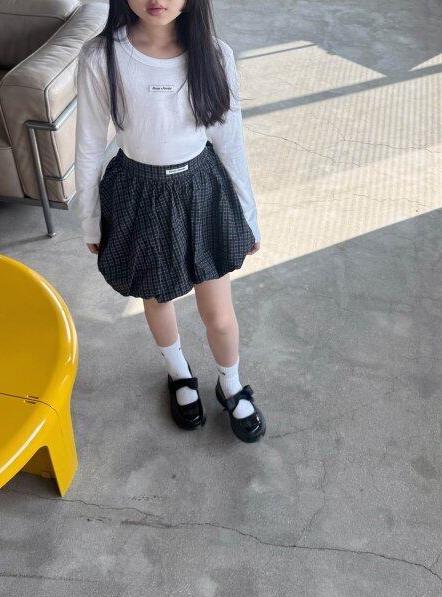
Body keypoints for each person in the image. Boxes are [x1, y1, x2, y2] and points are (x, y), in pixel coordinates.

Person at [74, 0, 266, 443]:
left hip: (201, 190)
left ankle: (230, 383)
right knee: (157, 296)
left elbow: (230, 142)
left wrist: (248, 216)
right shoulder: (101, 56)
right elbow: (88, 145)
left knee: (218, 314)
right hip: (136, 192)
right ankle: (179, 373)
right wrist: (90, 220)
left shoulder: (214, 54)